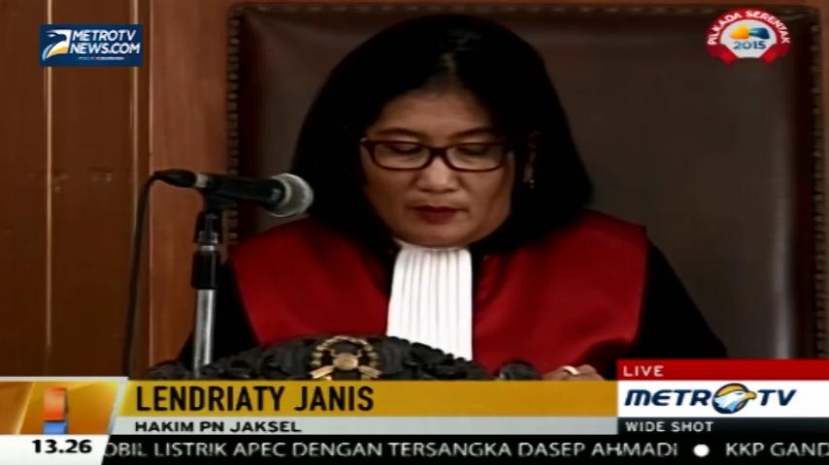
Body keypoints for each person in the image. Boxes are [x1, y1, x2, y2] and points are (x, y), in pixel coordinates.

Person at [178, 14, 726, 380]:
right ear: (351, 152)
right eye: (402, 149)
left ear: (526, 155)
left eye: (474, 150)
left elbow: (731, 418)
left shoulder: (617, 264)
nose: (437, 180)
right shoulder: (270, 272)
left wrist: (610, 411)